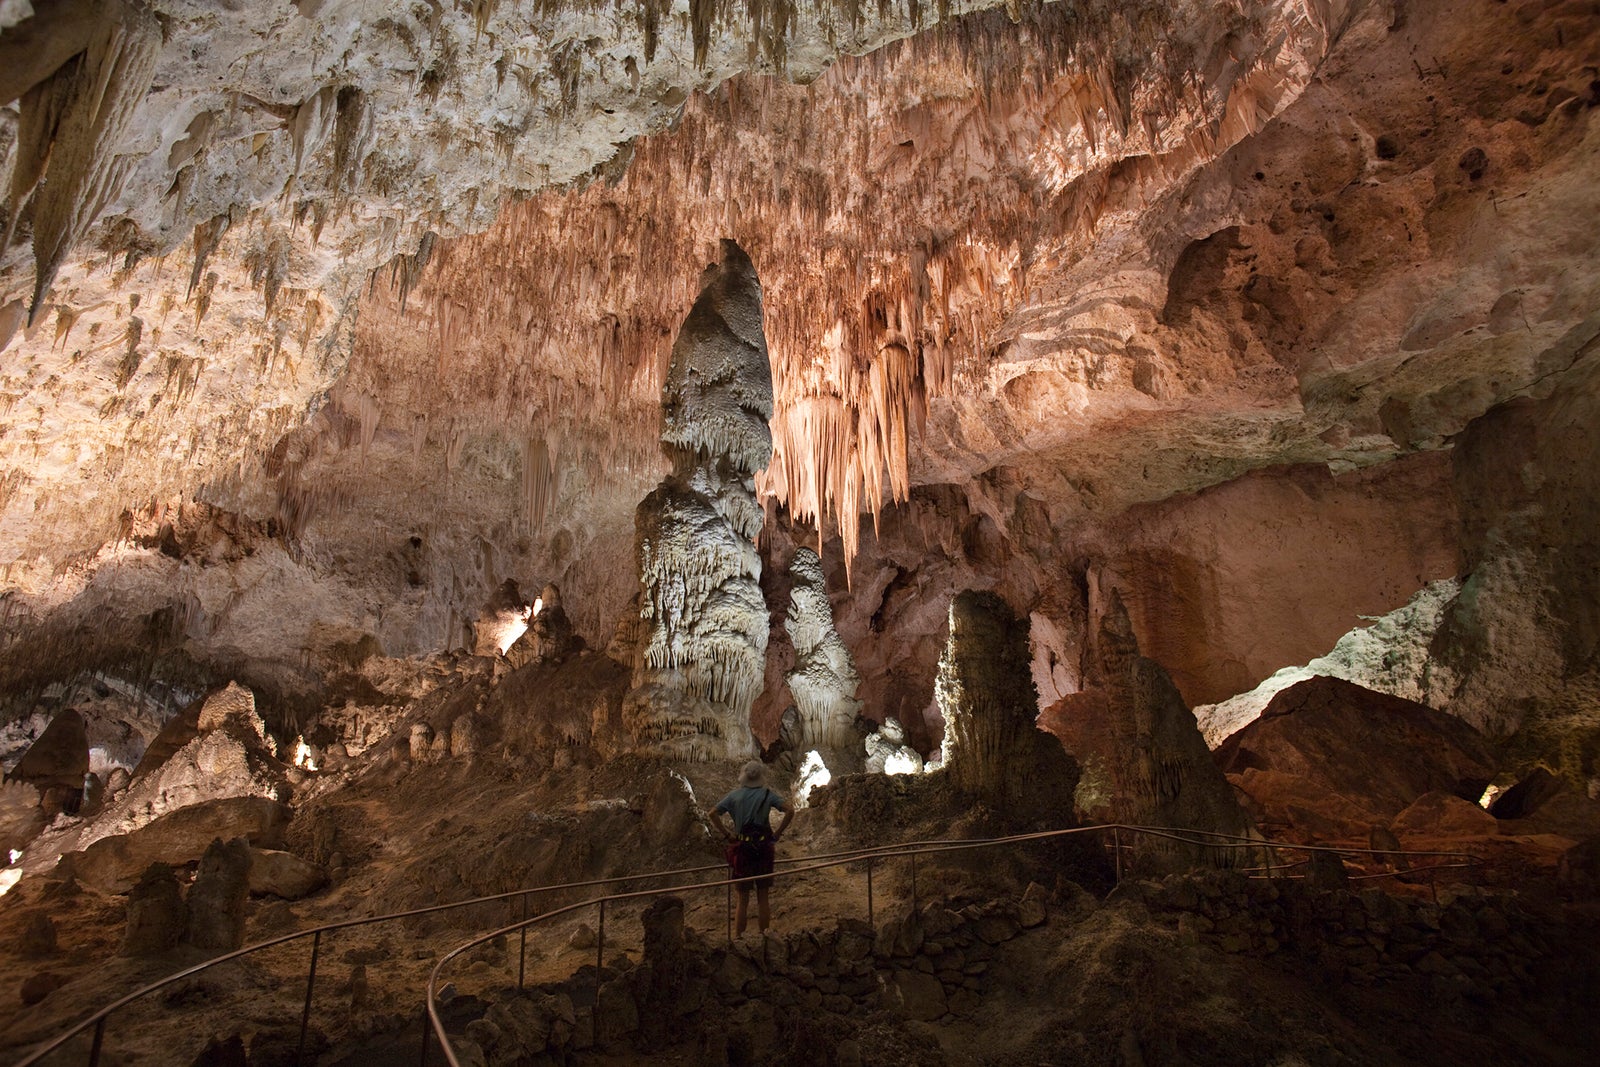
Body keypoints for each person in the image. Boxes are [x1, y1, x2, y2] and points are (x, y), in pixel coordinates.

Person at [712, 760, 792, 936]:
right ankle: (765, 938)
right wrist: (777, 834)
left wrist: (727, 834)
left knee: (742, 899)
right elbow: (790, 810)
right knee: (763, 898)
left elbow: (712, 813)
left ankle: (739, 939)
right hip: (764, 848)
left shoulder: (734, 796)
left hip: (743, 849)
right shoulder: (768, 794)